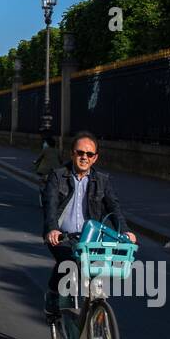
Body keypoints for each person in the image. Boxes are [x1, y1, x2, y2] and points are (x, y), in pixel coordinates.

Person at [41, 130, 136, 320]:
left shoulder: (102, 181)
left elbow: (114, 208)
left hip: (91, 239)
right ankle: (53, 295)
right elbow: (50, 205)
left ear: (95, 158)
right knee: (67, 263)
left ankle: (96, 320)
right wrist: (52, 228)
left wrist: (125, 231)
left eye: (89, 154)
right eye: (80, 153)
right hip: (63, 236)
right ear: (72, 154)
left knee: (98, 271)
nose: (84, 157)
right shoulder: (58, 176)